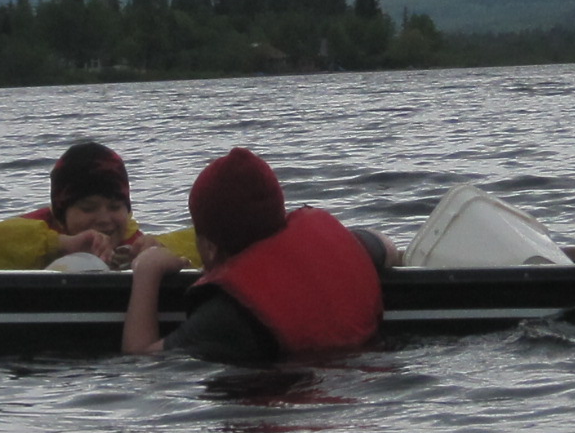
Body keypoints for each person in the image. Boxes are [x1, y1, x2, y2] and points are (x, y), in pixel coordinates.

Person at [123, 147, 390, 358]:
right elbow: (385, 245)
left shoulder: (227, 312)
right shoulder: (343, 247)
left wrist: (147, 272)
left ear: (210, 248)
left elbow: (141, 356)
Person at [0, 139, 197, 270]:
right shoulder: (38, 233)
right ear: (62, 214)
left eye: (115, 207)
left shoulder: (132, 241)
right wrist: (61, 244)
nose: (104, 219)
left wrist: (162, 248)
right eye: (88, 208)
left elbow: (210, 242)